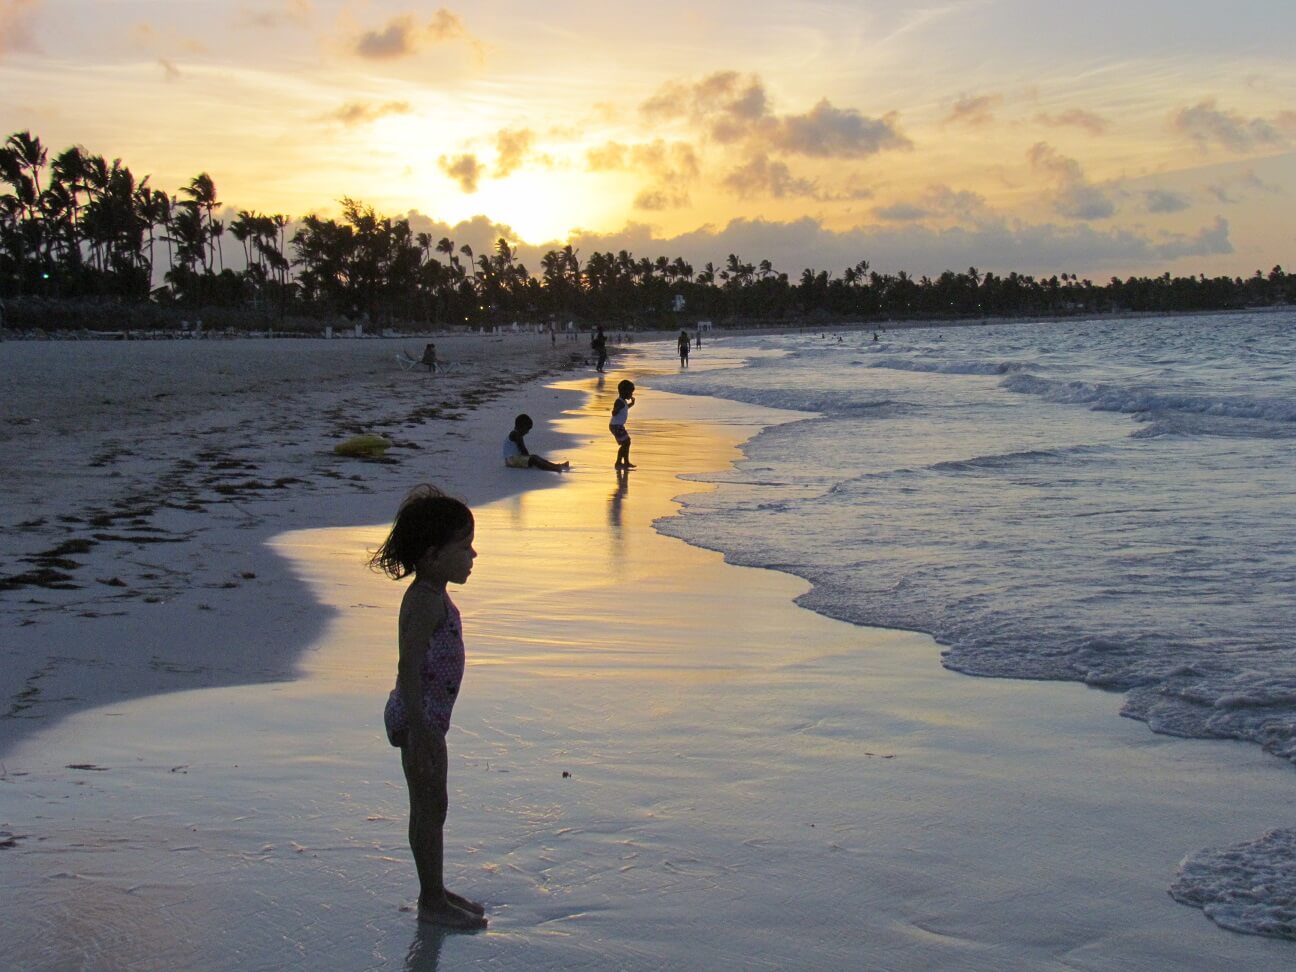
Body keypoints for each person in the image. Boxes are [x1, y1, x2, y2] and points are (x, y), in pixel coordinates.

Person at [370, 486, 488, 930]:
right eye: (464, 547)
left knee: (434, 805)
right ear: (433, 554)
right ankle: (431, 900)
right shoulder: (423, 599)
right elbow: (409, 664)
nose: (473, 556)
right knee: (426, 805)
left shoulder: (435, 593)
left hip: (428, 718)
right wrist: (420, 730)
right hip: (418, 718)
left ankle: (435, 890)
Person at [503, 414, 569, 472]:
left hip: (513, 459)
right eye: (527, 429)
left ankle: (556, 465)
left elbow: (522, 449)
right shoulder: (516, 435)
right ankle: (554, 468)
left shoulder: (516, 433)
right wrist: (528, 458)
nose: (527, 432)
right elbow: (522, 448)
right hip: (511, 461)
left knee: (535, 457)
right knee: (534, 459)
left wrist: (529, 457)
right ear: (521, 427)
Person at [610, 379, 636, 469]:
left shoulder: (623, 401)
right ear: (625, 392)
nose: (631, 394)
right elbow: (614, 412)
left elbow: (624, 408)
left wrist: (631, 404)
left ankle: (626, 462)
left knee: (627, 442)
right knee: (625, 443)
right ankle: (618, 463)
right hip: (616, 426)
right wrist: (615, 411)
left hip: (618, 425)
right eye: (630, 393)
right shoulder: (619, 401)